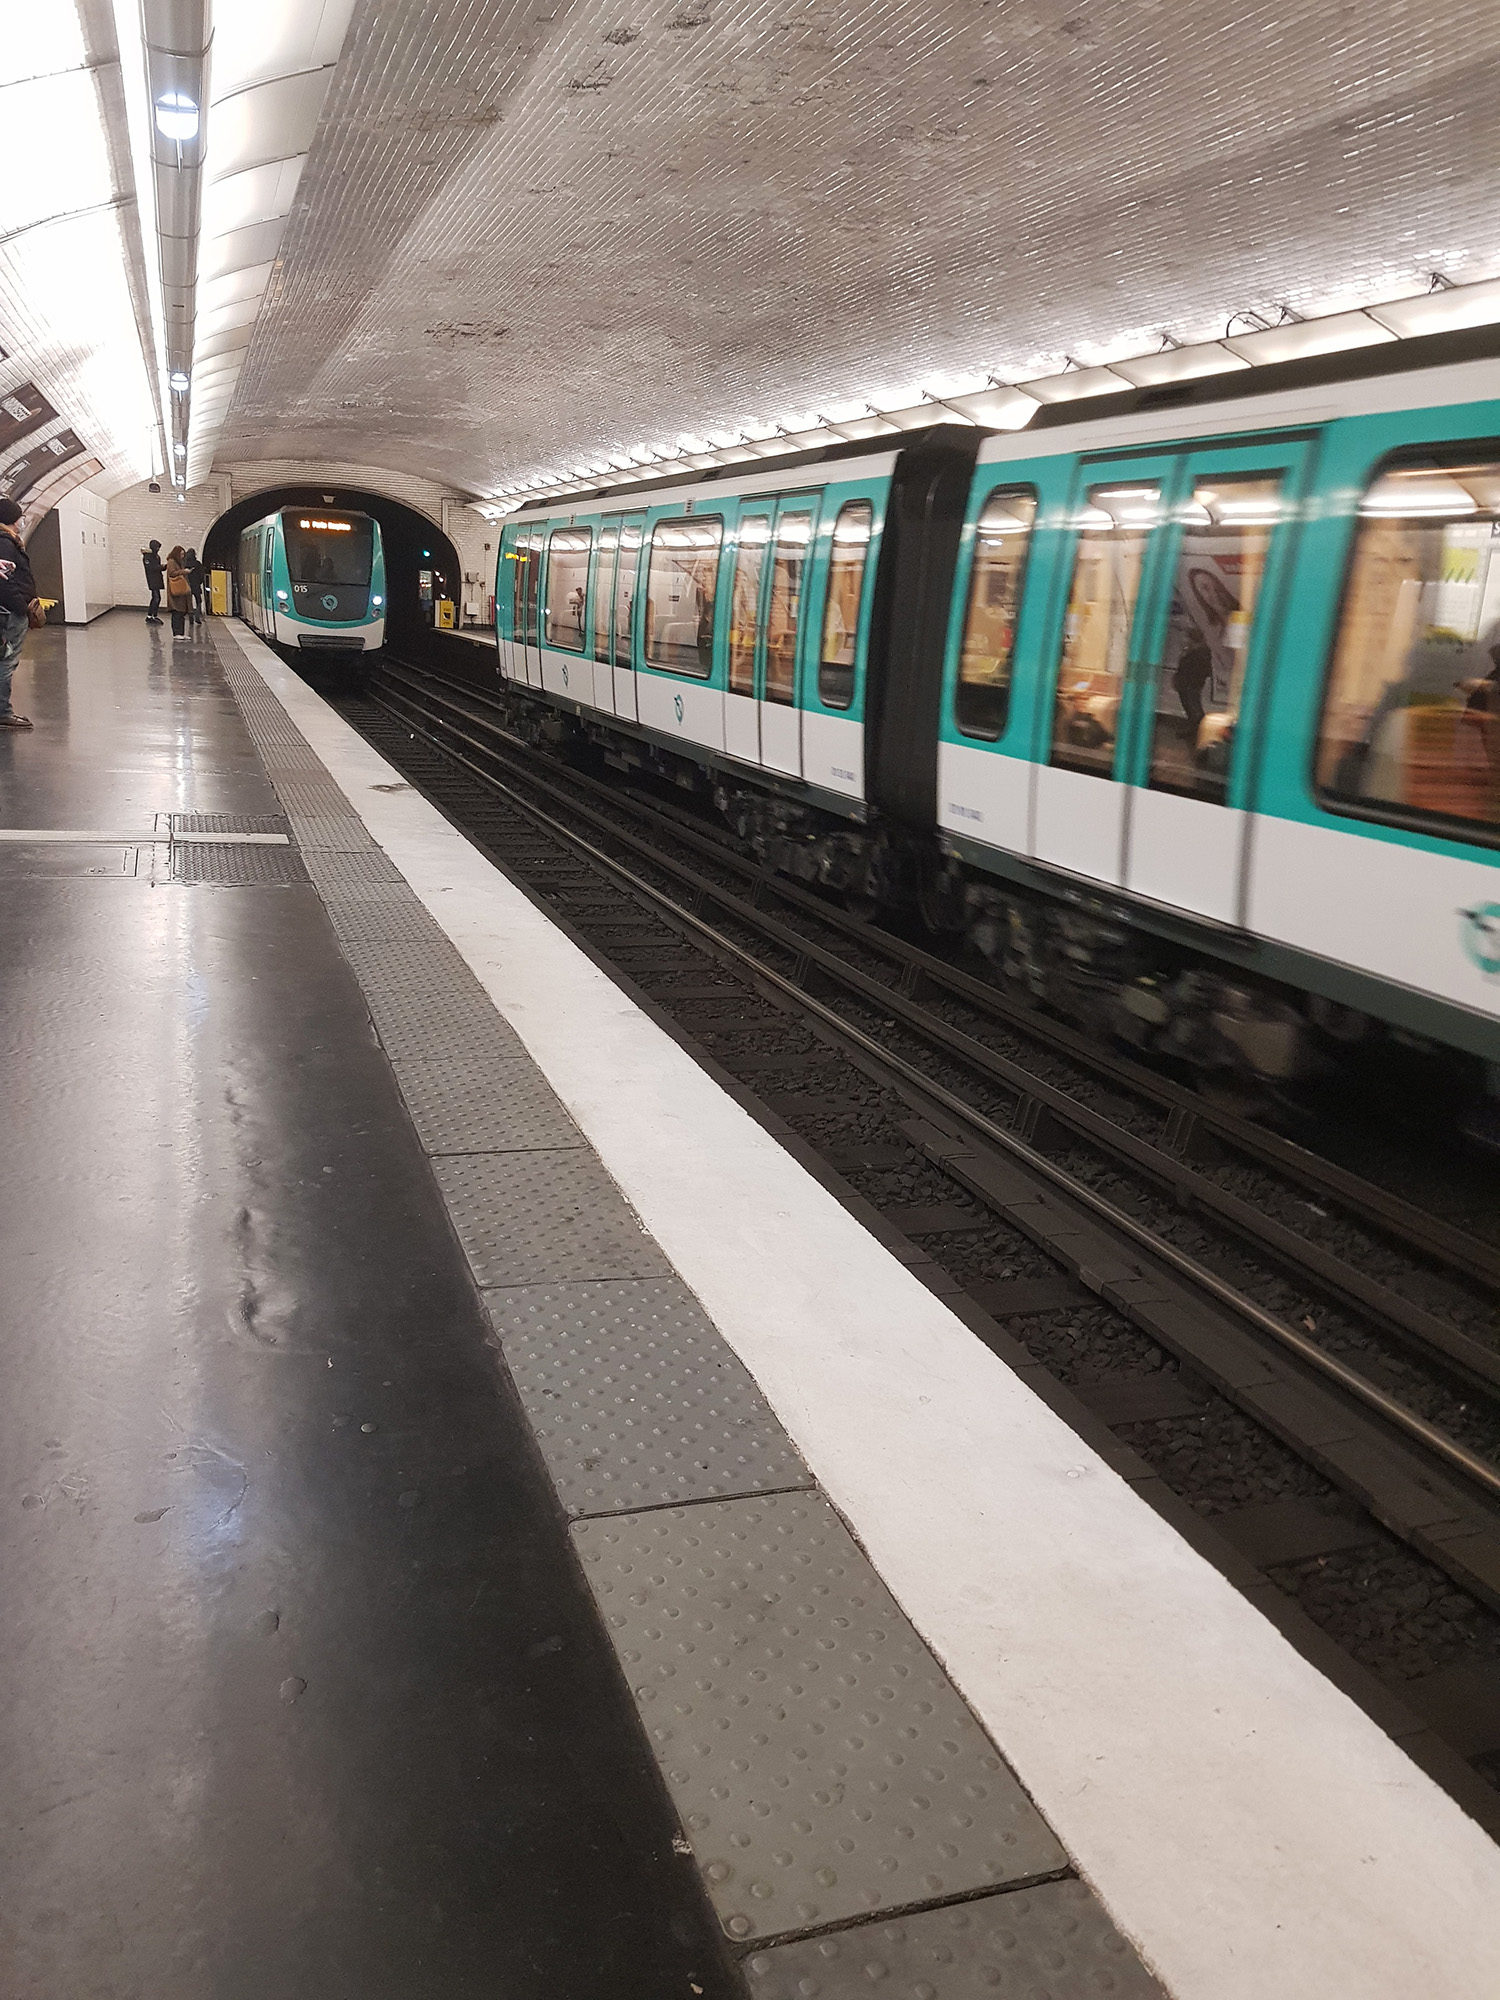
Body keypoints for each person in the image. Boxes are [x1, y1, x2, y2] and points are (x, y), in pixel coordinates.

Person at [0, 497, 41, 730]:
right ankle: (3, 712)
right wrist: (21, 607)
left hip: (7, 610)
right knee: (6, 660)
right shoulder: (5, 543)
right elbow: (4, 582)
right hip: (8, 613)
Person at [163, 545, 192, 637]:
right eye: (181, 554)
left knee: (181, 612)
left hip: (181, 590)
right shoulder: (171, 561)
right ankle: (176, 633)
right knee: (176, 612)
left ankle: (181, 633)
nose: (182, 556)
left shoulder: (179, 562)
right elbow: (172, 573)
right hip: (175, 589)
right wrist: (184, 572)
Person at [142, 540, 164, 624]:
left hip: (155, 579)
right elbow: (151, 568)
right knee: (156, 598)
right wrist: (161, 567)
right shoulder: (148, 557)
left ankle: (150, 615)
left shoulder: (155, 556)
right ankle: (153, 616)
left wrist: (162, 567)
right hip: (153, 579)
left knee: (155, 597)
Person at [185, 546, 205, 623]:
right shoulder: (198, 564)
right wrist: (200, 582)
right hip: (196, 584)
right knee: (199, 600)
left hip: (187, 585)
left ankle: (190, 616)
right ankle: (197, 615)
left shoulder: (185, 564)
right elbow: (201, 574)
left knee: (189, 601)